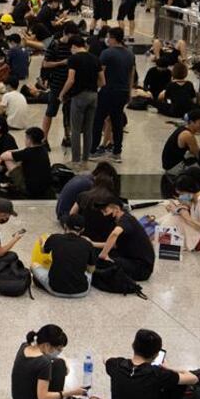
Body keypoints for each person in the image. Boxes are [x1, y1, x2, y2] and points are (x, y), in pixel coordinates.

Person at [106, 329, 198, 399]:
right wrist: (169, 368)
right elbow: (194, 378)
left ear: (133, 346)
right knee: (178, 386)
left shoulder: (116, 365)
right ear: (156, 355)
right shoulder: (158, 374)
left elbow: (106, 357)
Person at [11, 324, 86, 399]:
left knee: (59, 361)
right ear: (47, 345)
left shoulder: (24, 346)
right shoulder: (44, 363)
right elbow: (43, 397)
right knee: (60, 364)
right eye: (58, 349)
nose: (59, 352)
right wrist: (72, 392)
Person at [91, 27, 133, 161]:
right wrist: (129, 92)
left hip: (108, 91)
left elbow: (100, 72)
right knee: (117, 121)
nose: (107, 40)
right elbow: (131, 75)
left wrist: (97, 87)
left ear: (113, 38)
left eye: (109, 37)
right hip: (123, 91)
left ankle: (93, 150)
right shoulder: (130, 54)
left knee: (98, 120)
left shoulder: (106, 53)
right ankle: (117, 152)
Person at [59, 35, 101, 166]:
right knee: (88, 129)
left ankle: (76, 160)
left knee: (76, 130)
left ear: (73, 46)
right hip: (94, 95)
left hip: (79, 96)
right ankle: (85, 160)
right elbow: (103, 81)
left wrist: (62, 94)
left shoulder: (74, 59)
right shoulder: (95, 58)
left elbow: (71, 80)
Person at [32, 214, 96, 298]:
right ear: (83, 229)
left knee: (34, 265)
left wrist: (41, 244)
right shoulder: (88, 244)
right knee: (89, 273)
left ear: (65, 225)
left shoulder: (54, 238)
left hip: (55, 289)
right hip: (81, 291)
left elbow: (44, 251)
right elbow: (91, 270)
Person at [96, 194, 156, 281]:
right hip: (134, 260)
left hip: (141, 269)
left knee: (101, 262)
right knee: (97, 255)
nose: (104, 215)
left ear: (116, 209)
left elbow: (114, 234)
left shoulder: (126, 220)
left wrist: (103, 255)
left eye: (106, 211)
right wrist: (92, 243)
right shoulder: (123, 219)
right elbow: (114, 245)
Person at [0, 127, 53, 199]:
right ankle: (7, 174)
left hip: (30, 189)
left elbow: (3, 156)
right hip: (45, 187)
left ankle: (8, 178)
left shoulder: (27, 153)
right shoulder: (43, 150)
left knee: (8, 160)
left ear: (29, 140)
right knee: (18, 159)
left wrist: (10, 151)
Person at [164, 173, 200, 252]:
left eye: (182, 194)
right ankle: (156, 235)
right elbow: (189, 209)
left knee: (175, 219)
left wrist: (188, 219)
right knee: (174, 216)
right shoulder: (194, 199)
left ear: (190, 190)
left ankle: (158, 239)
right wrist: (176, 209)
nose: (181, 196)